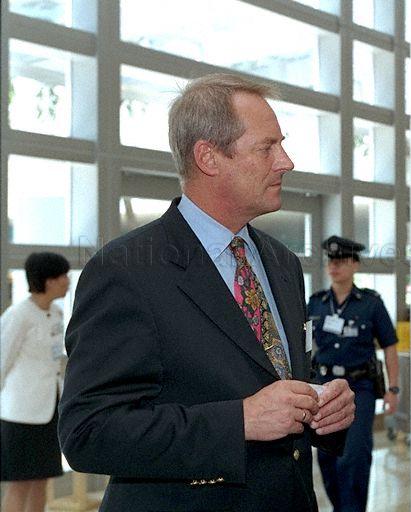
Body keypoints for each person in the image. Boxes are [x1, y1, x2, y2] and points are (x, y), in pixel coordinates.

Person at [58, 74, 355, 512]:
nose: (286, 162)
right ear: (209, 157)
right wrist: (238, 422)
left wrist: (321, 410)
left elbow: (268, 379)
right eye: (267, 147)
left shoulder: (282, 263)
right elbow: (88, 432)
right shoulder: (126, 270)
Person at [307, 236, 399, 512]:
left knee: (353, 457)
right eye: (331, 261)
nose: (334, 267)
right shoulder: (317, 303)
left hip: (360, 388)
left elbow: (390, 348)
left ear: (355, 265)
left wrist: (393, 389)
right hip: (323, 387)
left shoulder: (370, 303)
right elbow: (303, 347)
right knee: (326, 457)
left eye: (342, 261)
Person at [1, 252, 70, 512]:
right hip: (20, 413)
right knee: (20, 483)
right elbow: (1, 360)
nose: (67, 281)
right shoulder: (19, 315)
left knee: (42, 480)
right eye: (63, 276)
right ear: (49, 280)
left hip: (48, 409)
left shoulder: (56, 312)